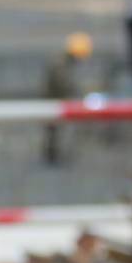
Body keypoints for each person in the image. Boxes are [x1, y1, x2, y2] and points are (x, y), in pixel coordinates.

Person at [41, 32, 92, 165]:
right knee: (53, 129)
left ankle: (53, 155)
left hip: (54, 99)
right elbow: (62, 84)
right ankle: (51, 156)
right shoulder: (61, 64)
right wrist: (74, 94)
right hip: (53, 100)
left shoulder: (63, 62)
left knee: (54, 129)